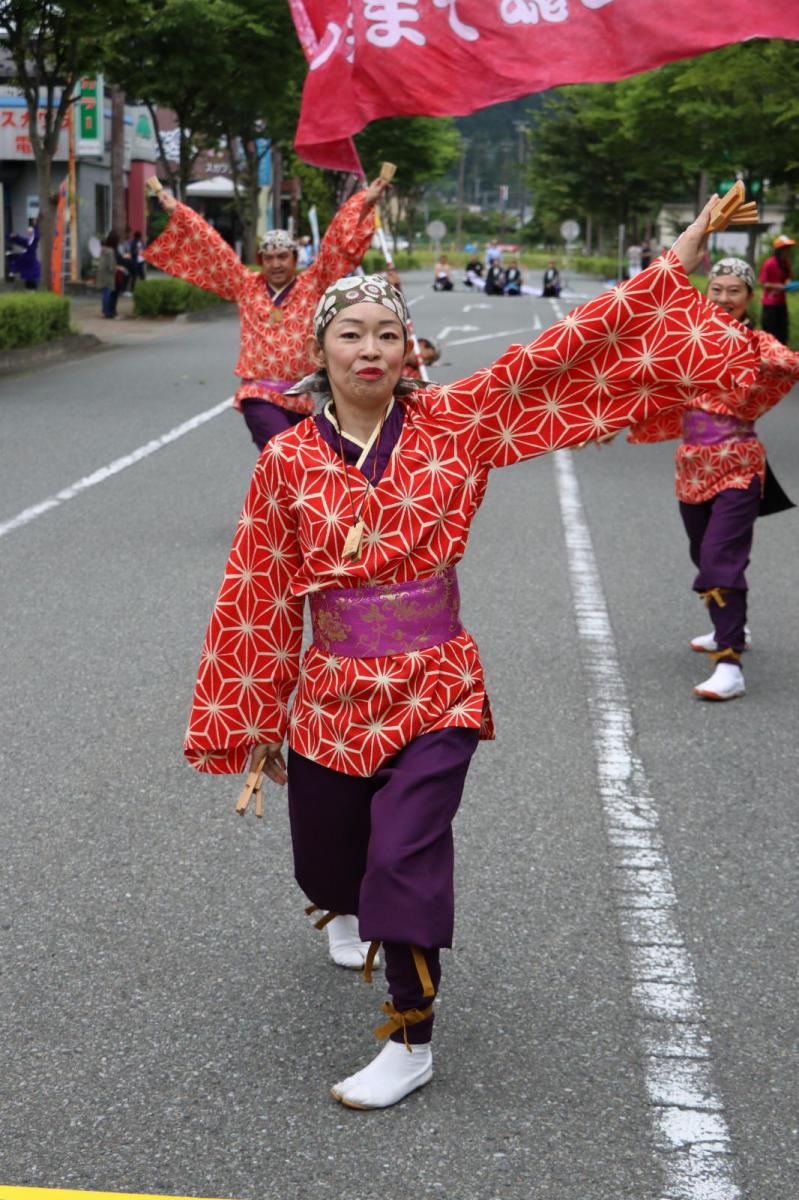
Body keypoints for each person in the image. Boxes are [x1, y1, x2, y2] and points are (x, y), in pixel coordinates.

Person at [182, 200, 759, 1110]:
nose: (369, 349)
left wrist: (674, 262)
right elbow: (257, 587)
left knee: (404, 856)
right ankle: (342, 902)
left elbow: (558, 353)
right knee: (329, 867)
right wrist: (255, 716)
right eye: (349, 334)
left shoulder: (454, 421)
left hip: (435, 684)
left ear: (408, 350)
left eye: (386, 334)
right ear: (320, 351)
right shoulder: (285, 460)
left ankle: (410, 1038)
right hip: (330, 695)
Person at [627, 258, 798, 700]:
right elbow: (645, 384)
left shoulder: (758, 342)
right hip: (691, 468)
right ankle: (731, 624)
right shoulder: (686, 344)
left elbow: (788, 363)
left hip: (739, 467)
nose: (724, 298)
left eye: (734, 291)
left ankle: (729, 663)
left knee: (721, 558)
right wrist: (605, 425)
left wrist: (744, 346)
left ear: (749, 297)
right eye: (716, 289)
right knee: (703, 554)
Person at [144, 177, 389, 451]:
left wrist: (365, 201)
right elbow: (211, 244)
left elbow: (335, 245)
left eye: (283, 256)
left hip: (301, 397)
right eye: (269, 258)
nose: (276, 264)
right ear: (261, 261)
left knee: (299, 465)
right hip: (258, 394)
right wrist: (176, 210)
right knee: (284, 453)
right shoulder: (245, 285)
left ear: (295, 258)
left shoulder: (312, 284)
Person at [758, 234, 794, 346]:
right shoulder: (769, 263)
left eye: (788, 248)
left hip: (781, 303)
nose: (788, 251)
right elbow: (763, 283)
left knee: (783, 332)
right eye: (786, 249)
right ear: (779, 250)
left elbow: (788, 279)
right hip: (770, 305)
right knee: (770, 333)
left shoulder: (786, 264)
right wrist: (779, 286)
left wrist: (788, 284)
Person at [7, 219, 40, 289]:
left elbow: (36, 236)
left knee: (30, 273)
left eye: (30, 232)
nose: (29, 233)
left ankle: (13, 270)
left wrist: (35, 225)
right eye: (28, 232)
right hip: (28, 259)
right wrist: (14, 237)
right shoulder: (28, 241)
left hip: (30, 259)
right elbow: (21, 240)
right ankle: (13, 271)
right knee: (26, 272)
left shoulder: (34, 240)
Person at [97, 233, 120, 318]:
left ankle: (104, 311)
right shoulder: (111, 251)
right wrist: (116, 269)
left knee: (105, 294)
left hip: (102, 273)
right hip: (108, 274)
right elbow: (111, 266)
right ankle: (107, 312)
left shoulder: (103, 249)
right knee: (108, 293)